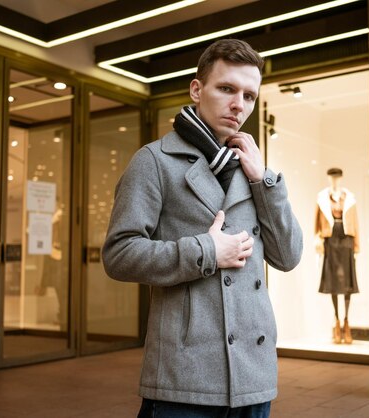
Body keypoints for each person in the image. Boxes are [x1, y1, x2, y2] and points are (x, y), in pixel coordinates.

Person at [102, 39, 302, 418]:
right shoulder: (154, 161)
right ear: (197, 89)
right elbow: (119, 255)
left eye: (248, 95)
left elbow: (288, 257)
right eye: (226, 89)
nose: (238, 104)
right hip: (184, 375)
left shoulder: (254, 167)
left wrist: (264, 182)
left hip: (253, 374)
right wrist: (206, 251)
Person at [314, 168, 360, 344]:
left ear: (340, 178)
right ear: (329, 178)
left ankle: (347, 322)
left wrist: (356, 246)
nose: (335, 180)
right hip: (330, 240)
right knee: (333, 281)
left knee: (348, 282)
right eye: (332, 177)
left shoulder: (349, 198)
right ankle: (336, 321)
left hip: (346, 239)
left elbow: (355, 223)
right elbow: (316, 224)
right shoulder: (322, 198)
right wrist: (318, 243)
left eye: (337, 177)